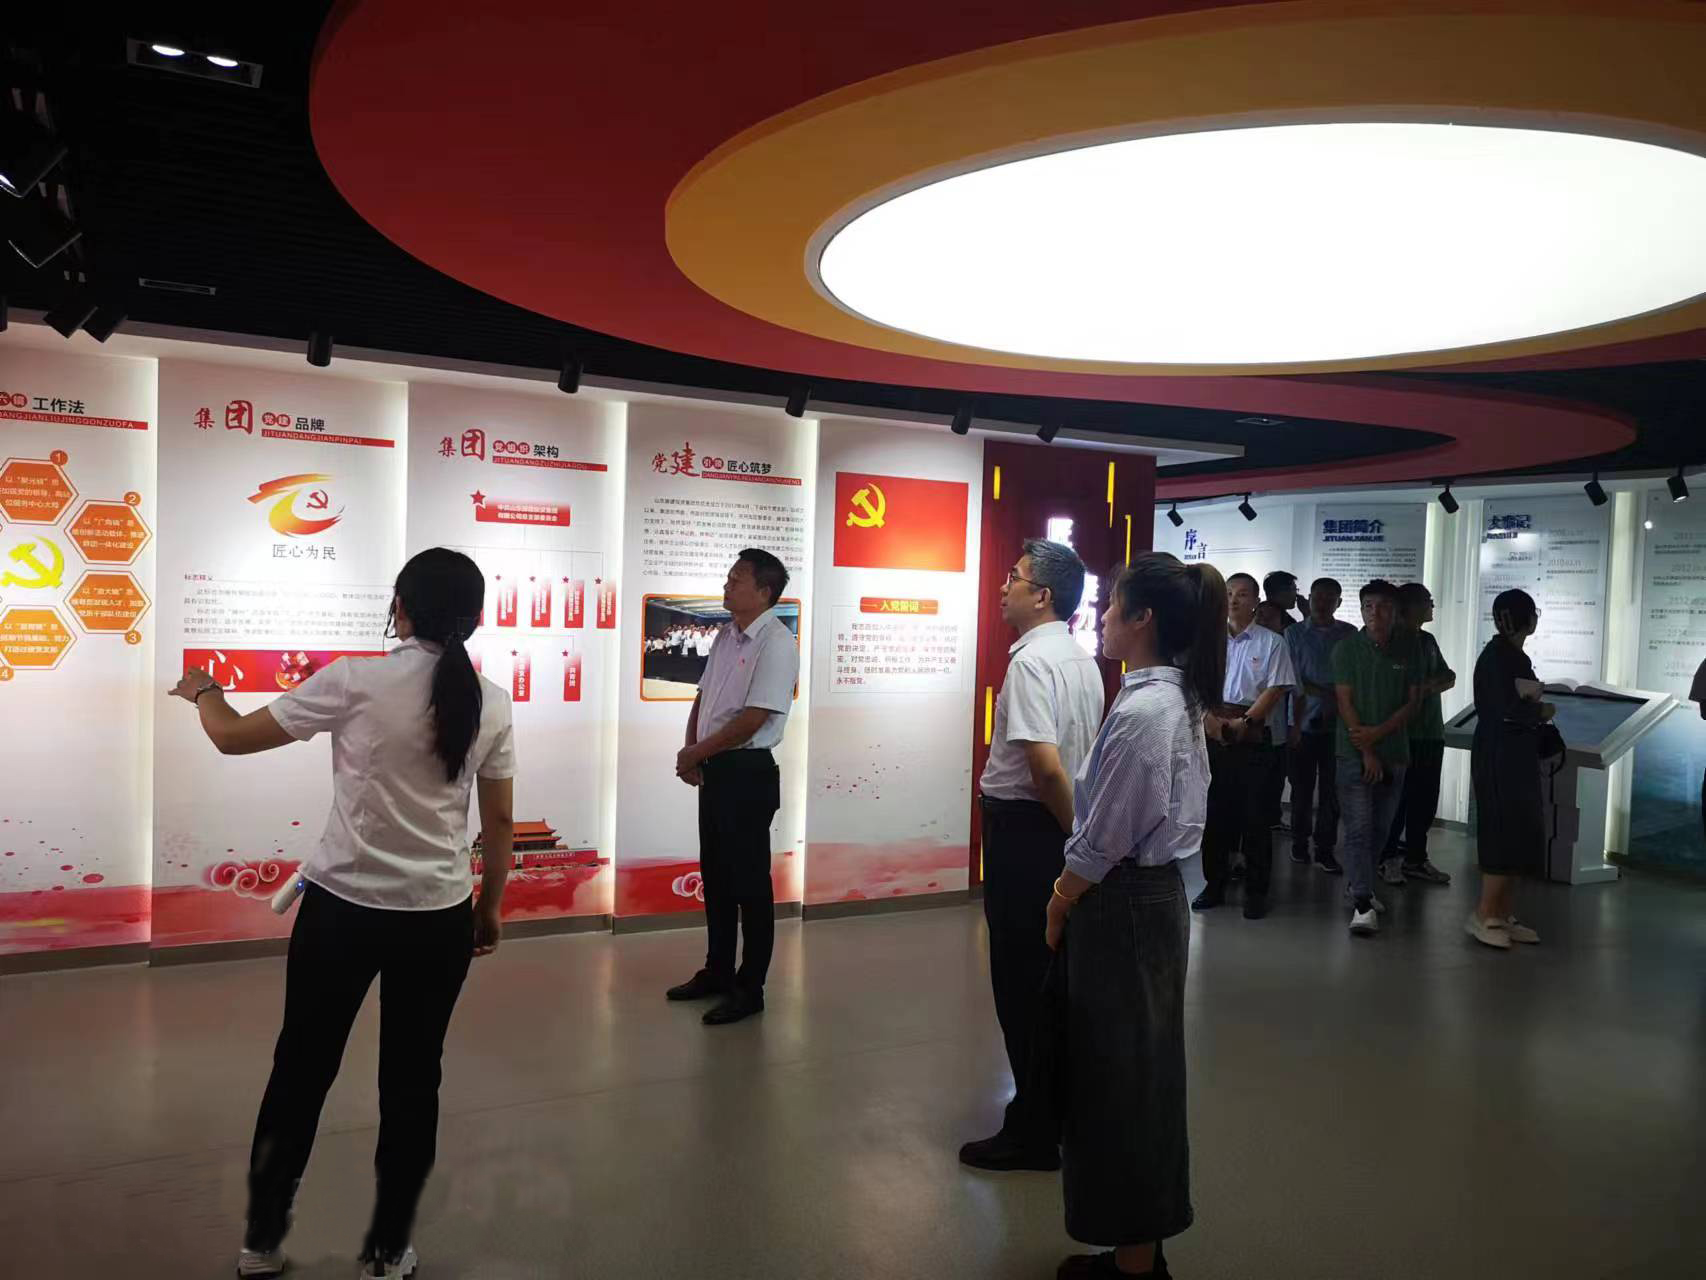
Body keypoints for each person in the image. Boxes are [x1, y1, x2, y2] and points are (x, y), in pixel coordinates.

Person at [168, 548, 516, 1280]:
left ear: (401, 608)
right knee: (413, 1082)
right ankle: (387, 1252)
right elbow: (501, 824)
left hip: (341, 914)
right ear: (474, 617)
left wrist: (204, 691)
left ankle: (262, 1240)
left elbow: (230, 736)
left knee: (300, 1068)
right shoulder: (491, 699)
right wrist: (488, 909)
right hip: (438, 916)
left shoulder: (355, 679)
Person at [1047, 553, 1225, 1278]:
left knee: (1123, 1080)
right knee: (1131, 1076)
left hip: (1124, 903)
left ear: (1144, 618)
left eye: (1113, 606)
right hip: (1144, 902)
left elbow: (1106, 835)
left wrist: (1061, 897)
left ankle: (1135, 1262)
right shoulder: (1167, 698)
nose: (1102, 619)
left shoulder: (1149, 711)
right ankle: (1134, 1252)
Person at [962, 539, 1106, 1173]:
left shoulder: (1029, 664)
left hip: (1029, 833)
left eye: (1014, 577)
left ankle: (1033, 1130)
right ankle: (1057, 1112)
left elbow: (1046, 771)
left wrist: (1077, 843)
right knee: (1050, 981)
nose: (1004, 586)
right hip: (1055, 830)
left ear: (1043, 595)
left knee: (1021, 983)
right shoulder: (1080, 658)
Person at [666, 549, 799, 1025]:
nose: (726, 585)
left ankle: (750, 987)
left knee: (750, 886)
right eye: (728, 577)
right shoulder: (726, 635)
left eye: (736, 579)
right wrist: (692, 748)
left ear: (763, 591)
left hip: (747, 771)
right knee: (718, 879)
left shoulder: (777, 643)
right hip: (716, 767)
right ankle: (718, 970)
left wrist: (697, 752)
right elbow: (703, 697)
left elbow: (755, 717)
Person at [1195, 572, 1297, 919]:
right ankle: (1214, 884)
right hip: (1212, 731)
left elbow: (1275, 688)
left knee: (1255, 817)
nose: (1234, 600)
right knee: (1215, 815)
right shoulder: (1209, 642)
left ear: (1255, 601)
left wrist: (1246, 722)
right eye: (1228, 593)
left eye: (1242, 594)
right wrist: (1208, 718)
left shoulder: (1272, 643)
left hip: (1253, 735)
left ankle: (1256, 892)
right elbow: (1197, 684)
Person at [1466, 589, 1552, 950]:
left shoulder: (1506, 655)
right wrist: (1540, 712)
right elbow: (1506, 708)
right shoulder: (1501, 657)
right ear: (1529, 620)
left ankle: (1502, 912)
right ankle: (1485, 914)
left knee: (1517, 830)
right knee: (1501, 831)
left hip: (1511, 753)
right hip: (1500, 755)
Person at [1332, 579, 1419, 935]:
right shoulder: (1346, 649)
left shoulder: (1410, 648)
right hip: (1354, 752)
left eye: (1383, 606)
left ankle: (1359, 884)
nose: (1374, 613)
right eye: (1368, 606)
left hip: (1394, 751)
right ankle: (1363, 903)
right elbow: (1345, 702)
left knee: (1381, 829)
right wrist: (1366, 749)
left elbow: (1412, 703)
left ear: (1395, 612)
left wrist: (1378, 735)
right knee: (1358, 828)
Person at [1380, 583, 1456, 887]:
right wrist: (1424, 687)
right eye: (1427, 601)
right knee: (1396, 800)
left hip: (1430, 733)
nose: (1432, 606)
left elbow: (1448, 676)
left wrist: (1424, 688)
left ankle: (1415, 857)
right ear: (1410, 606)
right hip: (1401, 733)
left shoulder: (1427, 640)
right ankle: (1387, 857)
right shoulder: (1390, 640)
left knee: (1425, 799)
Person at [1284, 578, 1355, 874]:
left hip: (1338, 725)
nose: (1322, 603)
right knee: (1301, 789)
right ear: (1309, 598)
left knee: (1332, 791)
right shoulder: (1294, 633)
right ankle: (1299, 842)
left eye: (1329, 598)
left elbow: (1353, 677)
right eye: (1317, 597)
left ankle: (1325, 848)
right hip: (1301, 723)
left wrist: (1334, 698)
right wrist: (1329, 694)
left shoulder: (1349, 634)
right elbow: (1292, 678)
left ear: (1339, 602)